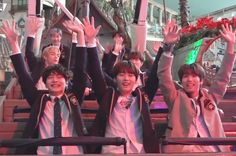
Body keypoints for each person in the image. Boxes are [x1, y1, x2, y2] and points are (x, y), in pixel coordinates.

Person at [65, 17, 159, 154]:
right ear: (115, 78)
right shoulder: (108, 96)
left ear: (136, 78)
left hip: (139, 151)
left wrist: (166, 48)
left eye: (130, 75)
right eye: (121, 75)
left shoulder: (142, 97)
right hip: (111, 151)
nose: (126, 79)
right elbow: (97, 73)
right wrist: (90, 42)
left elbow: (156, 76)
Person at [0, 19, 88, 155]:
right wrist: (13, 43)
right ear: (45, 82)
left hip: (74, 152)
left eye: (59, 77)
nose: (55, 80)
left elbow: (81, 70)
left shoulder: (73, 97)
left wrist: (80, 36)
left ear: (66, 82)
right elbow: (23, 76)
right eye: (51, 78)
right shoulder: (39, 99)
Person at [157, 20, 236, 153]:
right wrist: (168, 47)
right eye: (185, 76)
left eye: (194, 76)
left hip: (212, 149)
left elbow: (223, 77)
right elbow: (163, 75)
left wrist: (230, 46)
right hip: (183, 150)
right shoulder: (175, 98)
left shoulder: (211, 97)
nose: (189, 80)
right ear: (181, 81)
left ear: (201, 80)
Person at [25, 16, 61, 90]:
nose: (56, 57)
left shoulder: (61, 70)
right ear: (45, 56)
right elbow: (29, 53)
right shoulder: (38, 65)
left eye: (58, 55)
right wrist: (32, 34)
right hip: (38, 97)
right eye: (52, 54)